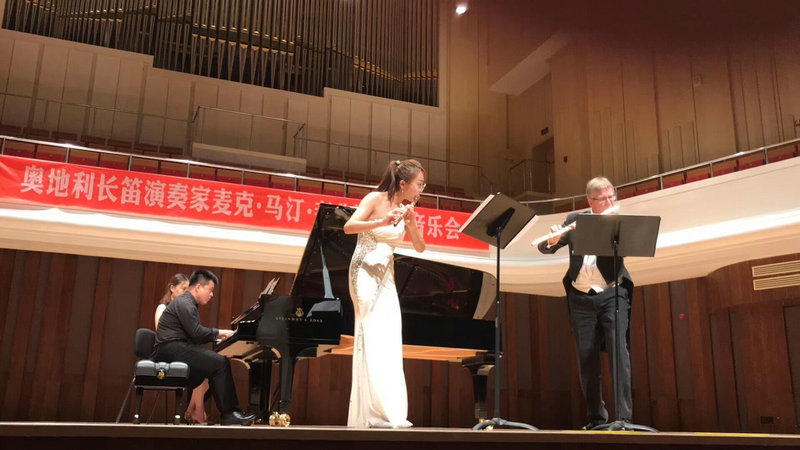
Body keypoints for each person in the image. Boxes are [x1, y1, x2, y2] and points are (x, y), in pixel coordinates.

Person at [537, 176, 634, 430]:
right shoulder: (574, 220)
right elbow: (546, 248)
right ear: (590, 201)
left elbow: (631, 247)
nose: (610, 202)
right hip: (580, 296)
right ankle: (596, 419)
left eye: (612, 197)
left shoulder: (619, 222)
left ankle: (623, 419)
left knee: (618, 353)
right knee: (586, 357)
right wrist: (553, 240)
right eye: (603, 199)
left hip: (612, 292)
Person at [343, 159, 427, 428]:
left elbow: (420, 247)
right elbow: (348, 227)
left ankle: (390, 412)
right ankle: (372, 413)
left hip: (386, 276)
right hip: (364, 271)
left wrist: (412, 223)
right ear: (403, 184)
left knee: (390, 337)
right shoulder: (374, 199)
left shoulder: (407, 210)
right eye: (419, 184)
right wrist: (381, 220)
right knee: (371, 334)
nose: (421, 190)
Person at [153, 269, 256, 426]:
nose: (212, 294)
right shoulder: (185, 303)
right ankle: (229, 414)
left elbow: (195, 334)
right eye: (210, 290)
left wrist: (217, 335)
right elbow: (196, 333)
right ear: (198, 287)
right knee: (220, 363)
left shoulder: (186, 302)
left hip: (173, 348)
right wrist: (219, 333)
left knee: (214, 366)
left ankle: (201, 411)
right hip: (170, 349)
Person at [154, 273, 209, 425]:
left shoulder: (186, 310)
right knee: (201, 366)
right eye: (183, 289)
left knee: (208, 369)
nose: (186, 293)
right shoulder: (162, 308)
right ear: (172, 288)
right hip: (166, 353)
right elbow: (162, 333)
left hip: (181, 352)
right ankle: (197, 411)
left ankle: (193, 409)